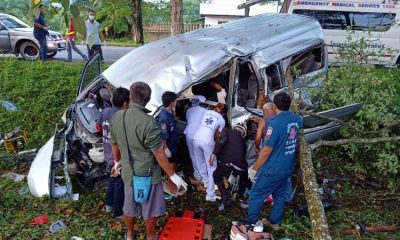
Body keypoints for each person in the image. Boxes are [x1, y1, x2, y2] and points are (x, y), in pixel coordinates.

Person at [109, 82, 187, 240]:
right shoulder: (148, 122)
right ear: (148, 99)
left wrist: (117, 162)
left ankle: (129, 234)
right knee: (150, 208)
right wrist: (172, 175)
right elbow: (158, 152)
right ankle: (151, 236)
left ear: (130, 97)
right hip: (148, 174)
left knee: (129, 206)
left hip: (128, 172)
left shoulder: (117, 117)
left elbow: (115, 143)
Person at [246, 92, 303, 226]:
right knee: (280, 195)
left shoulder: (275, 124)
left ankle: (251, 222)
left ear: (275, 106)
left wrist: (254, 169)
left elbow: (266, 150)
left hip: (273, 168)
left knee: (256, 194)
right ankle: (274, 221)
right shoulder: (297, 119)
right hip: (287, 166)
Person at [96, 87, 130, 219]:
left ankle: (108, 206)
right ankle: (118, 212)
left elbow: (98, 127)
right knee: (120, 183)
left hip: (108, 153)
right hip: (118, 157)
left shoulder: (105, 111)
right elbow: (121, 142)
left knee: (112, 180)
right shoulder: (122, 117)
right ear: (125, 103)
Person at [193, 102, 226, 201]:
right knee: (212, 167)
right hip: (207, 142)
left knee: (200, 162)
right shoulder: (221, 120)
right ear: (223, 113)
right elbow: (218, 135)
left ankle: (206, 182)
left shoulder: (206, 112)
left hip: (196, 138)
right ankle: (210, 195)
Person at [210, 125, 248, 205]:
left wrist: (214, 154)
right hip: (241, 165)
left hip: (228, 161)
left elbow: (222, 141)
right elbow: (243, 155)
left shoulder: (227, 130)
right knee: (243, 178)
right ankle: (239, 196)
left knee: (216, 176)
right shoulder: (243, 142)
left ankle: (225, 197)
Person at [184, 95, 207, 184]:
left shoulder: (189, 111)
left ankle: (198, 175)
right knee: (201, 155)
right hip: (199, 135)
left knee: (193, 155)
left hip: (189, 134)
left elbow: (189, 120)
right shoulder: (205, 111)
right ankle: (204, 176)